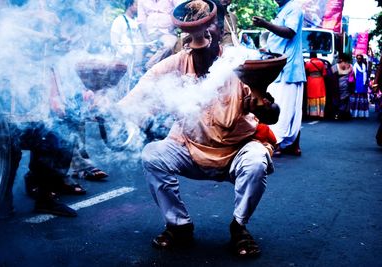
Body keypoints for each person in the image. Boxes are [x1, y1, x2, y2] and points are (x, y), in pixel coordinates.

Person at [117, 0, 277, 257]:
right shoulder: (177, 63)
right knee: (152, 154)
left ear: (220, 28)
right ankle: (179, 226)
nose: (201, 31)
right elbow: (138, 94)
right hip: (189, 149)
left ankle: (239, 227)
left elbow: (273, 116)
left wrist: (264, 105)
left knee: (257, 161)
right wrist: (107, 108)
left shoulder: (240, 64)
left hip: (236, 152)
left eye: (209, 23)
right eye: (194, 24)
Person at [253, 0, 306, 156]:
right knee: (285, 107)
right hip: (279, 67)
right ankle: (287, 143)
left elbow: (290, 32)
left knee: (284, 107)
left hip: (288, 69)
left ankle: (277, 142)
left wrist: (265, 24)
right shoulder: (283, 10)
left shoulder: (294, 8)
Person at [137, 0, 183, 71]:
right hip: (149, 34)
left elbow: (180, 8)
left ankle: (149, 66)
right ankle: (136, 72)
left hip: (167, 33)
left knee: (169, 45)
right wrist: (146, 38)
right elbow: (141, 21)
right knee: (137, 48)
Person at [110, 0, 145, 92]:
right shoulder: (119, 20)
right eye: (136, 5)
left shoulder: (136, 22)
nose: (138, 7)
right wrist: (124, 53)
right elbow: (114, 41)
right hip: (122, 60)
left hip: (134, 61)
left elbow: (140, 41)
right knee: (120, 86)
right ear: (130, 5)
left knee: (131, 86)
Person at [330, 53, 354, 120]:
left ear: (341, 59)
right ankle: (343, 114)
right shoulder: (350, 66)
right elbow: (352, 77)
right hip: (346, 86)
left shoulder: (335, 67)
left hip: (337, 86)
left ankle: (337, 115)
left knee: (337, 101)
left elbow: (331, 76)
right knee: (345, 101)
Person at [305, 52, 327, 118]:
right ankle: (321, 113)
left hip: (311, 81)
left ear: (310, 56)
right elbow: (324, 73)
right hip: (320, 81)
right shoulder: (321, 63)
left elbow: (305, 71)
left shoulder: (308, 63)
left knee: (312, 96)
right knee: (320, 96)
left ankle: (313, 113)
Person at [350, 54, 369, 118]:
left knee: (362, 100)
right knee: (356, 100)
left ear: (362, 59)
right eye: (357, 58)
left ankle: (362, 114)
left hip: (363, 86)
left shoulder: (364, 66)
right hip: (356, 85)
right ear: (356, 59)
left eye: (360, 58)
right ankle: (354, 114)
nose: (359, 59)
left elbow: (367, 76)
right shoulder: (354, 66)